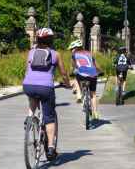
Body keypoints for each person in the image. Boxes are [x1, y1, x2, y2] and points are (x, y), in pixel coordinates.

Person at [23, 28, 71, 160]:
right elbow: (63, 73)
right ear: (51, 40)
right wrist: (67, 84)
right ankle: (50, 148)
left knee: (33, 96)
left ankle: (29, 117)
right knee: (49, 117)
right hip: (46, 88)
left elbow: (27, 70)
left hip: (28, 85)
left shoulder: (31, 52)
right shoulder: (55, 54)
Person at [67, 39, 101, 119]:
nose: (71, 51)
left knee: (75, 79)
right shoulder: (90, 53)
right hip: (92, 74)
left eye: (72, 49)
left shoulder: (74, 55)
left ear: (75, 48)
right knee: (93, 94)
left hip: (81, 74)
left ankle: (79, 95)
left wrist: (72, 72)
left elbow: (74, 66)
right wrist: (100, 71)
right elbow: (96, 66)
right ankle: (95, 113)